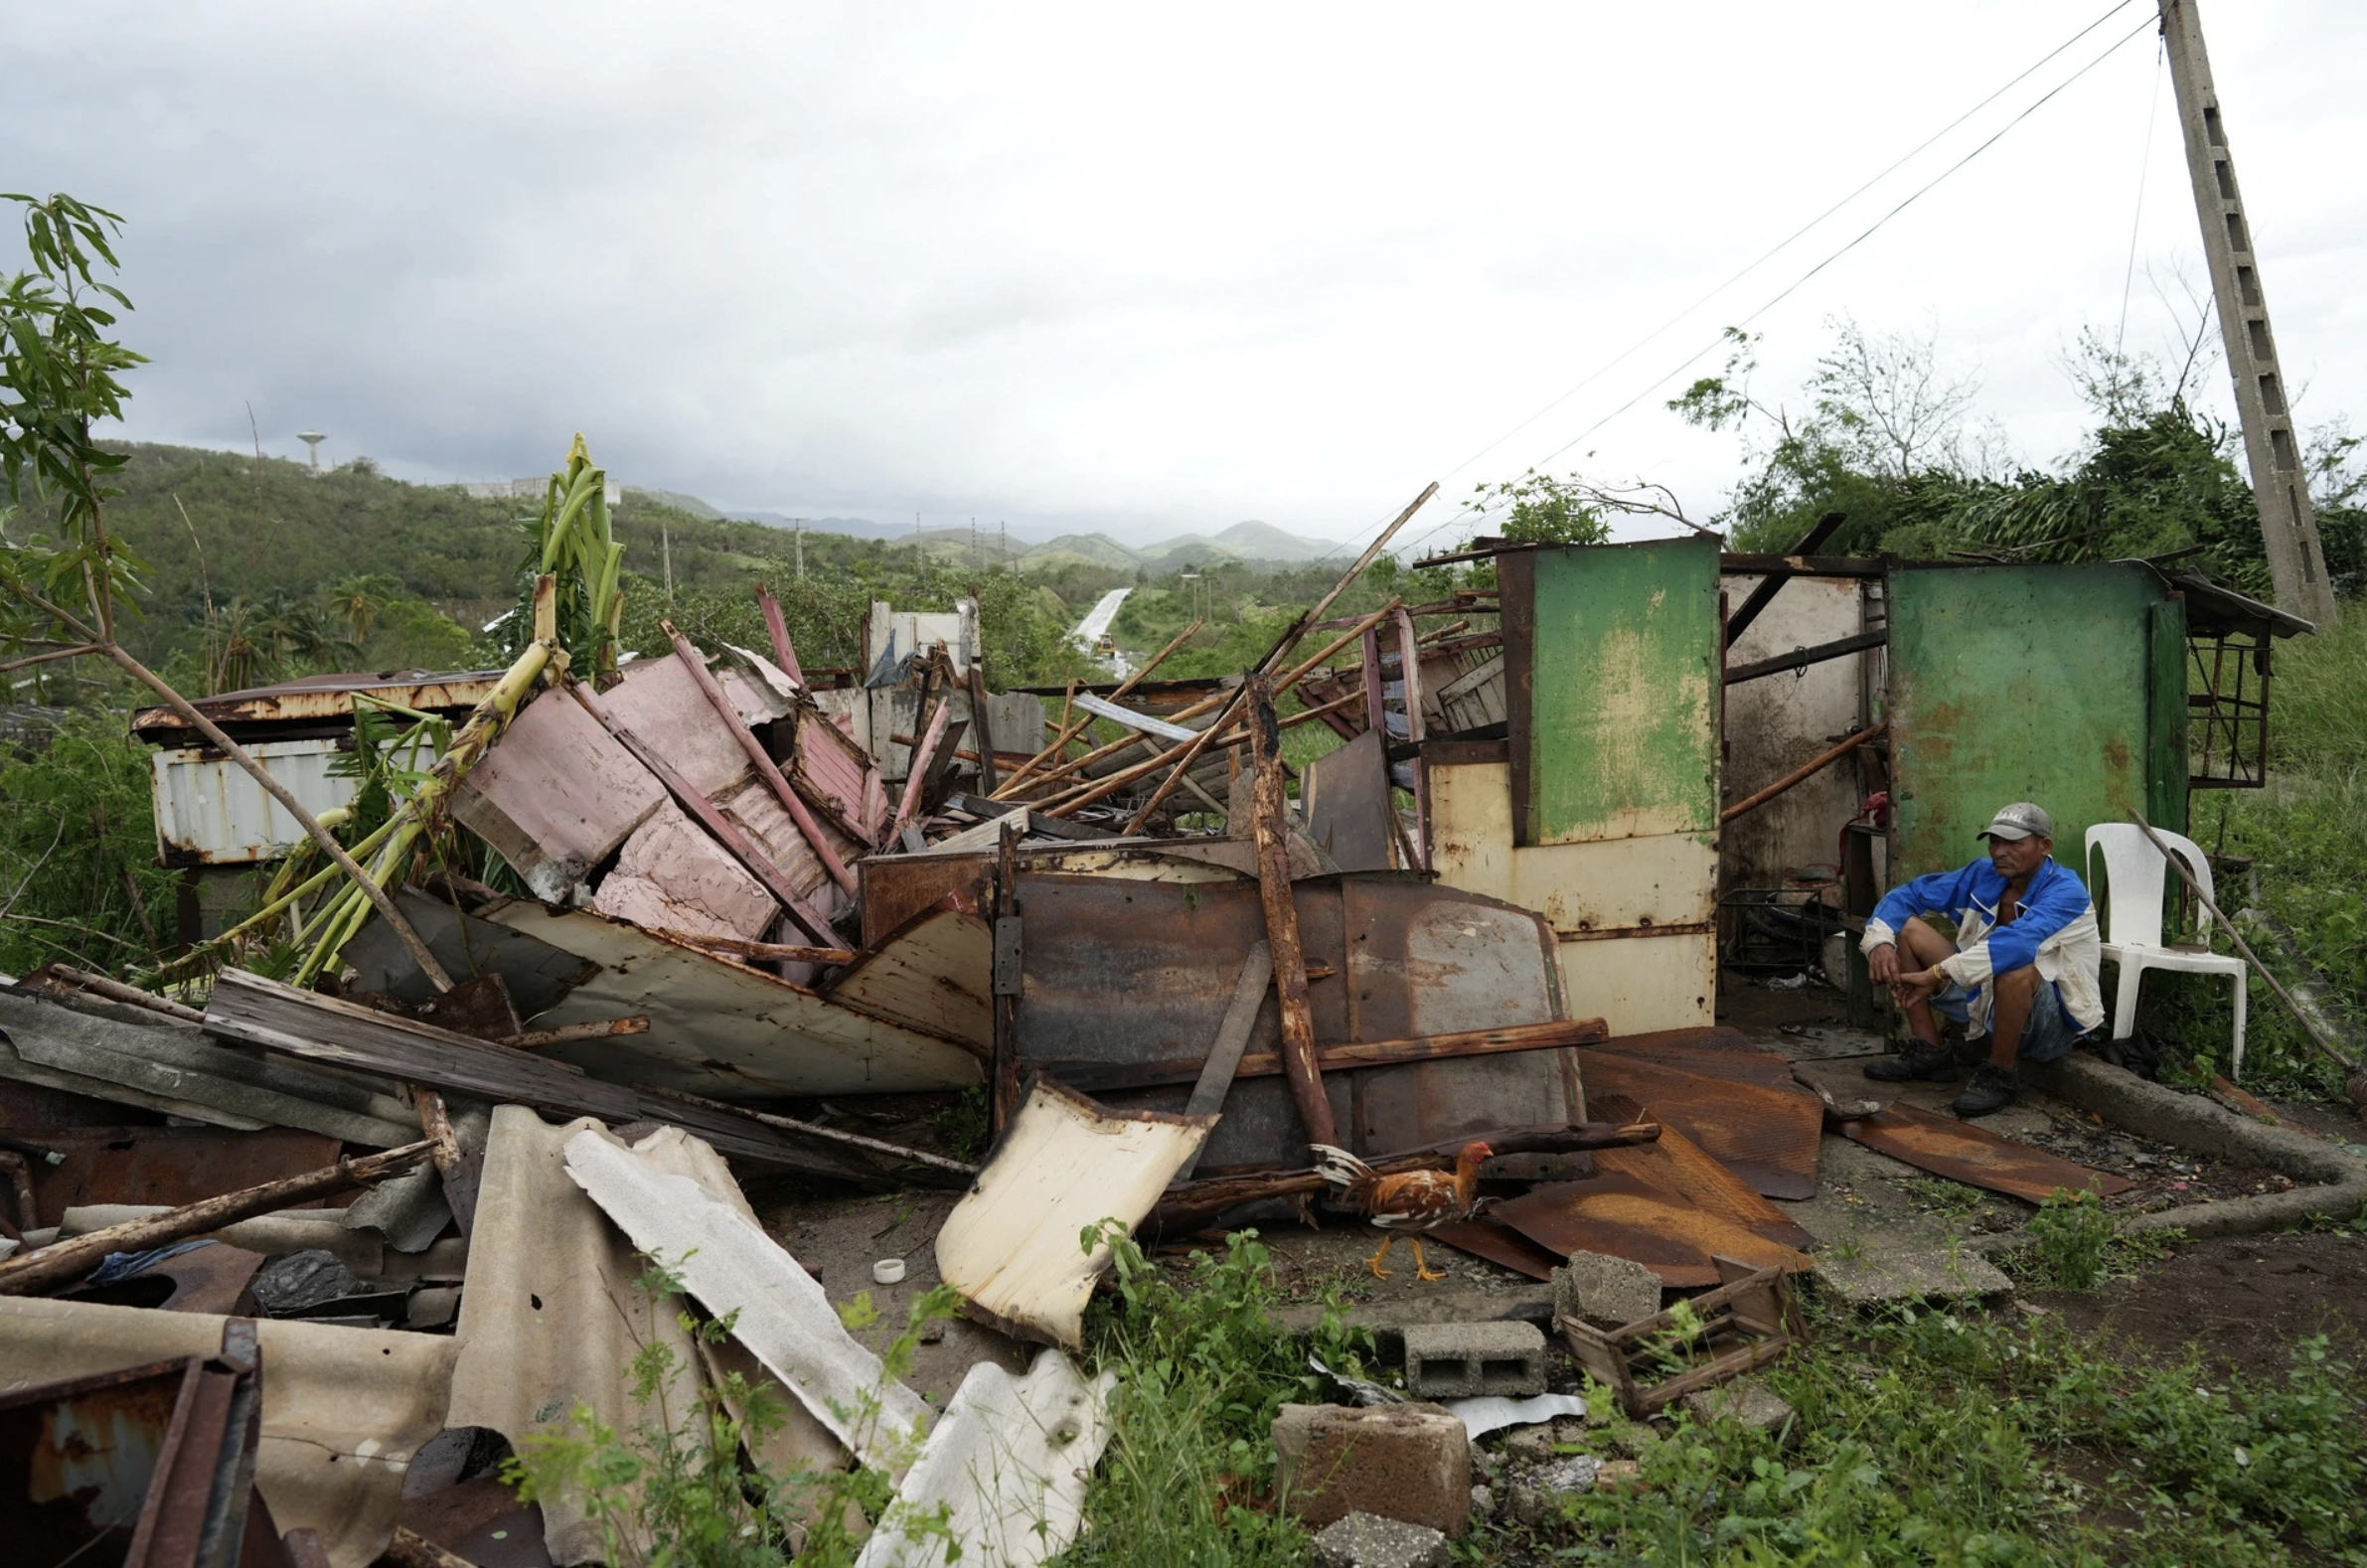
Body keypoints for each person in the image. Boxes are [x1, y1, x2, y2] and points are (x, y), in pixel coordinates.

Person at [1859, 801, 2105, 1116]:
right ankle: (1930, 1052)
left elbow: (2016, 945)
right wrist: (1880, 942)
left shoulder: (2066, 891)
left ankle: (2000, 1074)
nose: (2000, 851)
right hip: (1983, 1002)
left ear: (2045, 846)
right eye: (1995, 841)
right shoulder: (1983, 875)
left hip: (2046, 1028)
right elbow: (1908, 895)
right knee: (1905, 930)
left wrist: (1937, 973)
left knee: (2017, 967)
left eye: (2014, 843)